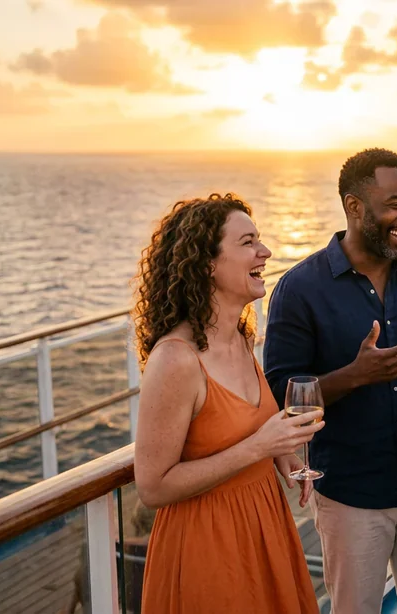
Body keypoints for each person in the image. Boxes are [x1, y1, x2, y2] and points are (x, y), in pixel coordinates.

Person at [264, 148, 397, 614]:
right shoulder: (299, 289)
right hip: (350, 497)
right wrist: (355, 376)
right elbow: (281, 396)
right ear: (354, 206)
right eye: (396, 203)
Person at [133, 194, 322, 614]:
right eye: (248, 242)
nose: (265, 251)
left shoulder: (241, 337)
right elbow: (152, 486)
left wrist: (285, 455)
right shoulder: (176, 360)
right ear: (207, 265)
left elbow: (251, 423)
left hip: (265, 527)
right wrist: (259, 448)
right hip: (208, 545)